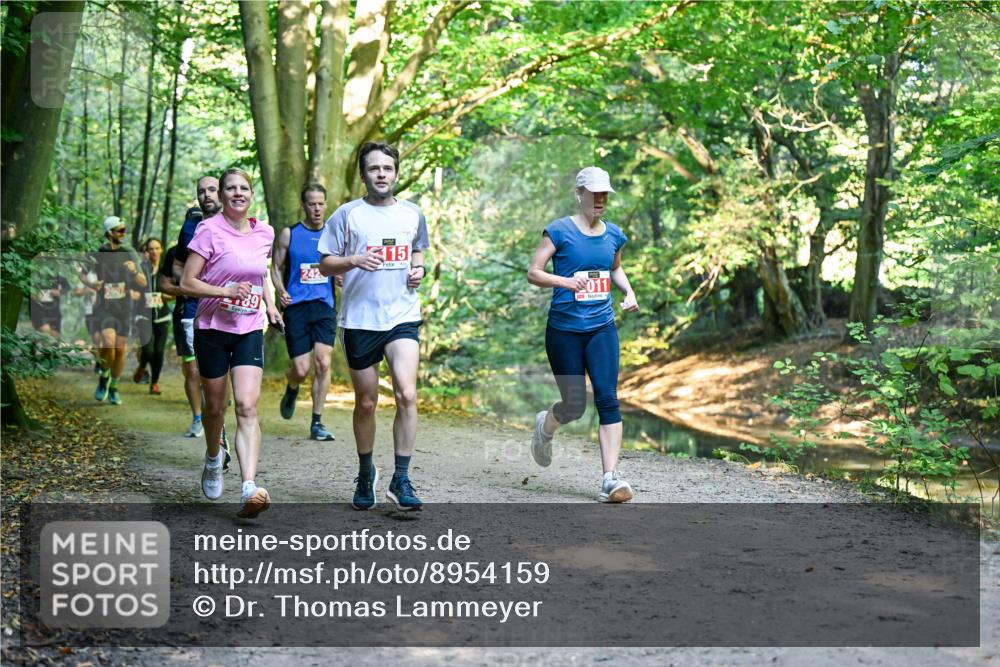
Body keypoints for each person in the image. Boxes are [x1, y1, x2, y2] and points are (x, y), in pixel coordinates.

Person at [319, 142, 428, 511]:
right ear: (363, 175)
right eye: (374, 168)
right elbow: (325, 264)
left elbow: (418, 251)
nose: (382, 174)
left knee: (407, 394)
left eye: (387, 168)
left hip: (402, 316)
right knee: (366, 402)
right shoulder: (347, 215)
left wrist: (418, 270)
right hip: (360, 320)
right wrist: (353, 260)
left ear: (396, 173)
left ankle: (402, 478)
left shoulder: (413, 214)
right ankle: (366, 472)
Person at [526, 166, 639, 503]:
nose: (600, 199)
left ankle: (609, 479)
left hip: (601, 327)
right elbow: (534, 272)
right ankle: (546, 427)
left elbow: (615, 268)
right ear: (579, 194)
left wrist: (629, 291)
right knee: (574, 406)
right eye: (594, 193)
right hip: (564, 331)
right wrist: (565, 281)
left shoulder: (614, 235)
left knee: (608, 398)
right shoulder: (559, 231)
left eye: (605, 194)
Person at [180, 168, 281, 519]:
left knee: (247, 406)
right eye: (231, 188)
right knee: (214, 408)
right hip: (212, 328)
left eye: (244, 188)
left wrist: (269, 305)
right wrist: (224, 291)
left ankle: (249, 486)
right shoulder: (208, 230)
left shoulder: (265, 232)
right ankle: (213, 458)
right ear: (222, 195)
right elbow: (187, 282)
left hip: (249, 326)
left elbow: (259, 273)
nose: (238, 193)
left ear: (251, 194)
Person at [271, 182, 337, 441]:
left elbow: (339, 265)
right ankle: (292, 386)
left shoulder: (333, 234)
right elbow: (275, 268)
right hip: (296, 307)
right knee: (301, 369)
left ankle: (317, 422)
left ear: (326, 204)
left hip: (324, 305)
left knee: (323, 362)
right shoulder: (290, 233)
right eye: (312, 204)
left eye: (321, 204)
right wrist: (280, 290)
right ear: (303, 205)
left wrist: (340, 276)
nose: (317, 209)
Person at [80, 216, 147, 405]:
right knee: (108, 342)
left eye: (124, 230)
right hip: (104, 305)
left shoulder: (129, 252)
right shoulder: (98, 252)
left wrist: (134, 271)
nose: (123, 233)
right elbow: (82, 274)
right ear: (110, 233)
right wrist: (92, 284)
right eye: (120, 230)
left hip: (124, 306)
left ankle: (114, 387)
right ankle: (104, 376)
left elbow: (143, 282)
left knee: (119, 349)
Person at [174, 177, 222, 437]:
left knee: (219, 371)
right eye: (201, 191)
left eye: (212, 190)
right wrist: (187, 283)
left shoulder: (235, 223)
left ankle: (216, 416)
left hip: (227, 306)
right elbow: (178, 266)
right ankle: (196, 418)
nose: (207, 195)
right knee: (193, 368)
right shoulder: (190, 226)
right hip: (194, 306)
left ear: (221, 193)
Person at [132, 238, 171, 394]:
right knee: (148, 350)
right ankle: (142, 366)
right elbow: (132, 289)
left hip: (162, 316)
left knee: (159, 351)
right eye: (151, 249)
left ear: (161, 249)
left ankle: (154, 382)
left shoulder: (167, 270)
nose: (154, 252)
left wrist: (164, 296)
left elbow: (176, 292)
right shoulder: (141, 269)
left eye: (157, 248)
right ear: (146, 252)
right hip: (143, 315)